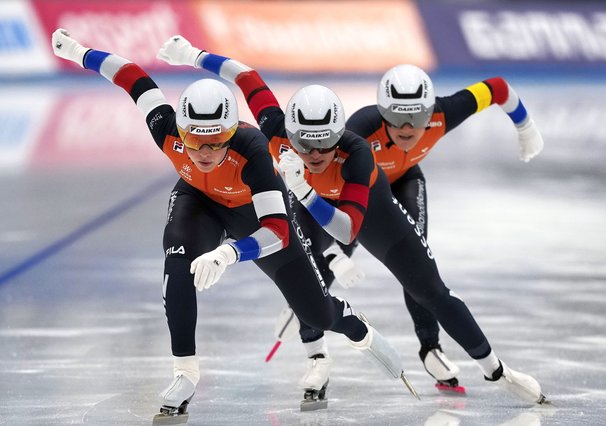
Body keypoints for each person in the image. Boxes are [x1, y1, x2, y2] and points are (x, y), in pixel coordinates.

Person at [156, 35, 548, 408]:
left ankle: (496, 370)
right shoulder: (277, 131)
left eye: (325, 144)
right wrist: (192, 55)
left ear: (339, 137)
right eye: (303, 144)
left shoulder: (357, 149)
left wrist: (525, 125)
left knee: (429, 289)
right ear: (288, 134)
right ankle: (318, 357)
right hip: (310, 205)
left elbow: (348, 229)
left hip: (366, 206)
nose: (313, 154)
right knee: (304, 283)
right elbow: (245, 76)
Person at [50, 29, 414, 419]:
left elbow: (276, 231)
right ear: (181, 130)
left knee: (316, 314)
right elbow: (134, 77)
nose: (205, 152)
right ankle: (185, 372)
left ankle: (348, 321)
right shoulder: (166, 127)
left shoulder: (254, 150)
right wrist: (78, 51)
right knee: (178, 261)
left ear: (231, 132)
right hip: (198, 201)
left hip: (252, 213)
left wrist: (229, 252)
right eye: (195, 141)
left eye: (217, 140)